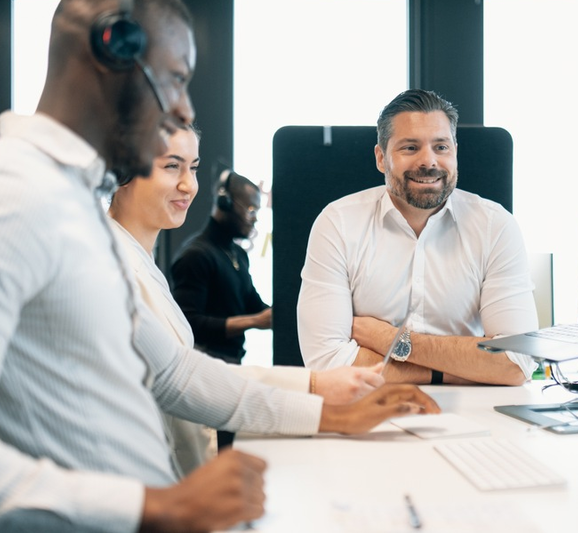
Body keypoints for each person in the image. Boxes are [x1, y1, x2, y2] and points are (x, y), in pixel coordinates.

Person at [0, 0, 439, 533]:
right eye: (176, 78)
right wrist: (158, 506)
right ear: (113, 50)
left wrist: (330, 415)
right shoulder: (7, 191)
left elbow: (176, 375)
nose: (186, 108)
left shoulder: (74, 208)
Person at [108, 123, 386, 476]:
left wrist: (314, 384)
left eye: (192, 168)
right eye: (171, 166)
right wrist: (320, 402)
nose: (188, 185)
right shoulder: (117, 272)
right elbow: (183, 381)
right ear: (121, 170)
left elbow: (188, 372)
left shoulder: (141, 261)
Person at [298, 88, 539, 386]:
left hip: (477, 418)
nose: (429, 161)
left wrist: (391, 340)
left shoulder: (495, 225)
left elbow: (517, 361)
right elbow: (327, 361)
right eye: (410, 148)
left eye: (441, 147)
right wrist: (454, 370)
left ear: (455, 152)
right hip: (367, 410)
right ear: (381, 158)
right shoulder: (338, 224)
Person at [171, 168, 269, 365]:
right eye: (251, 210)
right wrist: (255, 321)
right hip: (204, 368)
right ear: (226, 203)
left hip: (231, 363)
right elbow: (190, 324)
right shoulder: (196, 255)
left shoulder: (238, 254)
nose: (255, 218)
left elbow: (253, 304)